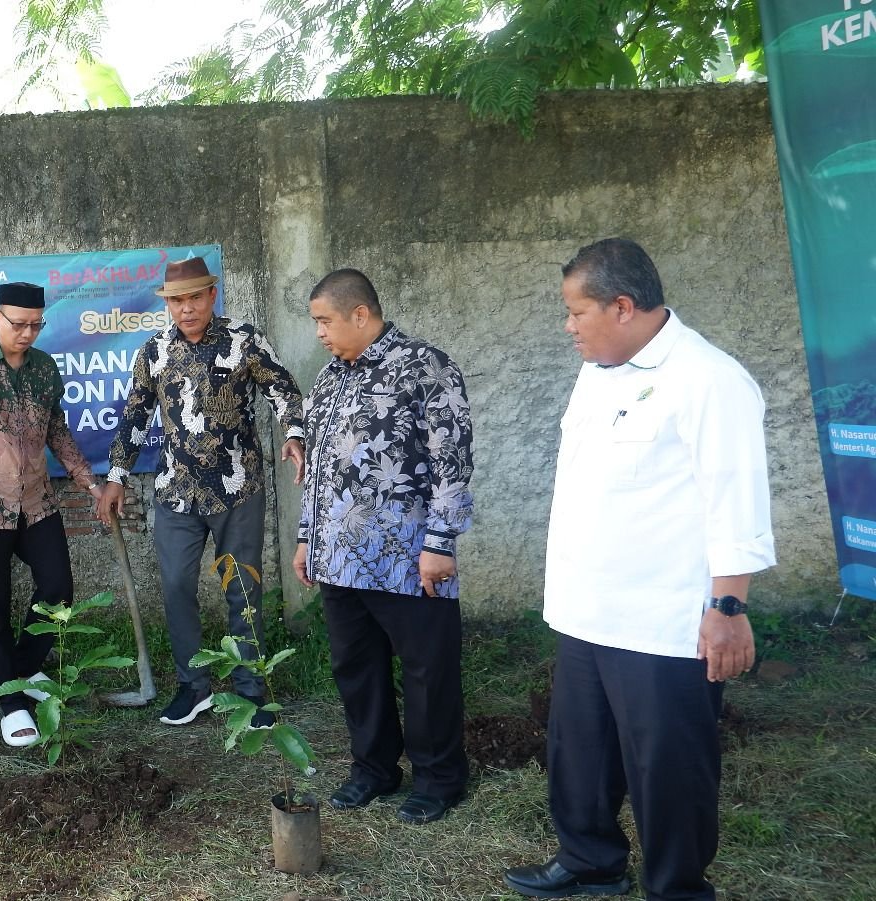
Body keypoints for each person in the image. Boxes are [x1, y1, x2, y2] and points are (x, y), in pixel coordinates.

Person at [503, 239, 774, 900]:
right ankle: (590, 859)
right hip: (586, 610)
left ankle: (677, 886)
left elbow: (735, 498)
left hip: (661, 621)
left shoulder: (709, 379)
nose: (568, 326)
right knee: (580, 752)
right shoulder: (600, 369)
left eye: (577, 311)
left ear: (622, 306)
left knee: (668, 769)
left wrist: (728, 609)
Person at [289, 269, 474, 825]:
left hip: (408, 559)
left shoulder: (424, 367)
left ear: (360, 315)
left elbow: (453, 460)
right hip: (340, 560)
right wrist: (306, 539)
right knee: (356, 668)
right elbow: (318, 470)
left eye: (325, 320)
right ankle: (374, 768)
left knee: (426, 670)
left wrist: (440, 543)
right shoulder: (327, 380)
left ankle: (439, 777)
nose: (319, 332)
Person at [97, 256, 305, 728]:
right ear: (167, 304)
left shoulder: (243, 340)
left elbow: (283, 389)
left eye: (194, 298)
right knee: (175, 587)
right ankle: (194, 688)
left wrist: (293, 432)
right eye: (177, 300)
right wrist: (115, 476)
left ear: (212, 296)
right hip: (176, 492)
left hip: (238, 487)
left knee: (243, 589)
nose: (186, 309)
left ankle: (253, 690)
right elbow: (134, 415)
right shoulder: (154, 351)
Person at [0, 282, 105, 748]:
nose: (27, 333)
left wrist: (89, 483)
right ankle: (12, 706)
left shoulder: (45, 368)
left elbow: (57, 430)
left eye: (36, 325)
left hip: (35, 502)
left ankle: (26, 671)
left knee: (58, 589)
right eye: (18, 324)